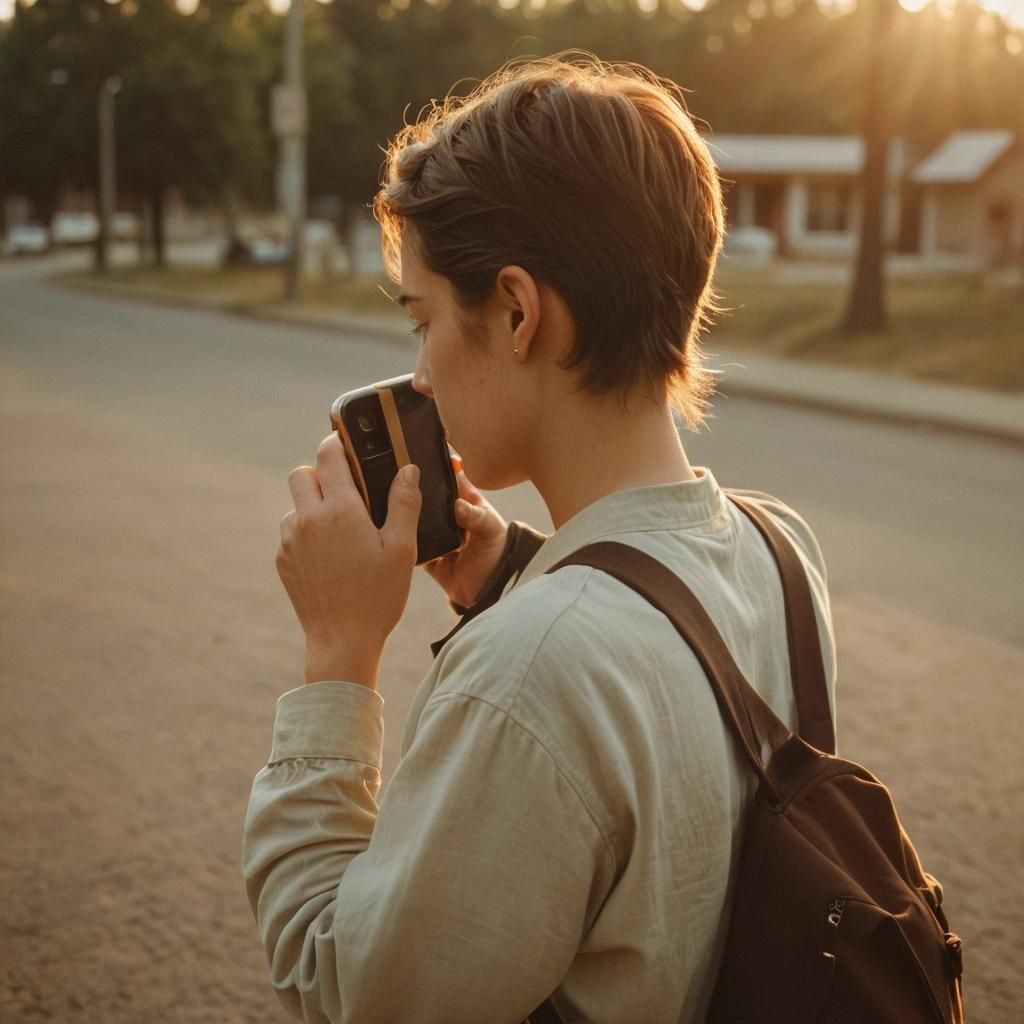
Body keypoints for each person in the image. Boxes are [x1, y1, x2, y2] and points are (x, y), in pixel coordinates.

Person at [242, 54, 836, 1024]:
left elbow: (351, 991)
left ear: (516, 311)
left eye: (422, 317)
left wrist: (338, 657)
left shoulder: (529, 674)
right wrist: (517, 570)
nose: (420, 371)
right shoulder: (780, 550)